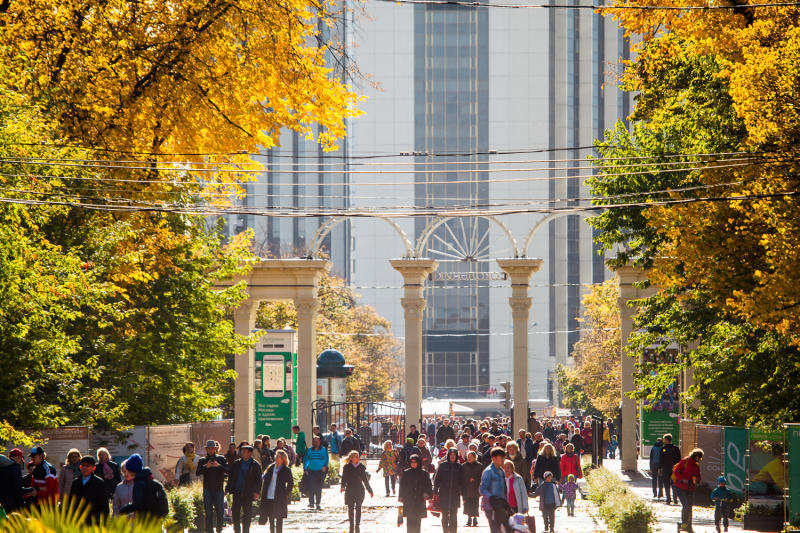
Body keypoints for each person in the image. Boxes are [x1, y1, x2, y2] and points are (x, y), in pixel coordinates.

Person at [226, 444, 262, 533]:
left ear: (249, 453)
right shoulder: (236, 463)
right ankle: (237, 530)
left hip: (248, 493)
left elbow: (259, 480)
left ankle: (246, 530)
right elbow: (231, 477)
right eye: (241, 451)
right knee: (235, 512)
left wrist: (257, 492)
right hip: (237, 491)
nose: (242, 453)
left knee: (247, 513)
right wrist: (227, 489)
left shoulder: (255, 464)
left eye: (244, 451)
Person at [197, 440, 229, 533]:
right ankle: (209, 530)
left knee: (220, 511)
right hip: (207, 489)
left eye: (212, 448)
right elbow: (197, 472)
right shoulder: (202, 460)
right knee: (208, 512)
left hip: (218, 489)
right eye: (209, 448)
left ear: (215, 448)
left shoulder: (221, 459)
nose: (211, 450)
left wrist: (218, 466)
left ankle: (219, 529)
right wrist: (205, 466)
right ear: (206, 449)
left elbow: (228, 471)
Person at [259, 450, 293, 533]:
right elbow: (264, 477)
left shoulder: (286, 470)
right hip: (269, 495)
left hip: (279, 497)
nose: (276, 458)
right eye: (276, 456)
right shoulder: (271, 467)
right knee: (271, 517)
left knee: (279, 517)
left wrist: (285, 493)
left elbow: (290, 483)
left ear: (283, 459)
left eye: (278, 456)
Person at [70, 455, 109, 524]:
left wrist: (102, 522)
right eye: (83, 465)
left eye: (88, 466)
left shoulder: (99, 483)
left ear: (93, 468)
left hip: (94, 521)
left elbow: (104, 505)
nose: (85, 468)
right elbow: (71, 502)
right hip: (78, 521)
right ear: (80, 467)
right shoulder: (76, 482)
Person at [341, 450, 373, 533]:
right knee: (350, 509)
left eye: (358, 456)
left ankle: (357, 527)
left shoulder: (361, 467)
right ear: (351, 458)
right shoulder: (347, 467)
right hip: (350, 490)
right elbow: (344, 478)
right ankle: (351, 527)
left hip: (359, 491)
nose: (358, 458)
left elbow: (365, 480)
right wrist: (342, 487)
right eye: (356, 457)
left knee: (358, 508)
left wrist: (370, 491)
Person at [398, 454, 432, 533]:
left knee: (417, 521)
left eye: (415, 462)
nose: (413, 464)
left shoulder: (424, 473)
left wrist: (427, 493)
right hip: (408, 500)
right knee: (409, 521)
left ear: (418, 463)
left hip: (419, 500)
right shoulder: (406, 473)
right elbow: (402, 486)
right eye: (411, 462)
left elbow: (429, 486)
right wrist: (400, 496)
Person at [672, 448, 703, 533]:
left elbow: (698, 476)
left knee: (689, 507)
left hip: (690, 488)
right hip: (680, 487)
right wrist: (683, 479)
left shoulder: (696, 465)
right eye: (699, 458)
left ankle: (688, 525)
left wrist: (697, 480)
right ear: (696, 456)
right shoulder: (684, 462)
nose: (700, 460)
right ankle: (684, 524)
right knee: (686, 505)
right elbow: (676, 472)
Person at [434, 447, 464, 533]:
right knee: (445, 516)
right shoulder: (443, 466)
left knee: (454, 516)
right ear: (448, 455)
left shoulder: (459, 467)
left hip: (455, 495)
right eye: (451, 455)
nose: (452, 456)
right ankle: (445, 531)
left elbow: (462, 482)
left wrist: (463, 493)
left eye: (454, 455)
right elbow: (437, 480)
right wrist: (435, 491)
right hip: (444, 494)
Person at [479, 448, 507, 533]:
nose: (503, 460)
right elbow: (482, 489)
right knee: (495, 528)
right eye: (501, 457)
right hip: (490, 506)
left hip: (500, 505)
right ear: (494, 458)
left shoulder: (501, 471)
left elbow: (504, 489)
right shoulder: (488, 472)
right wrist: (492, 497)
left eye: (503, 458)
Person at [303, 435, 329, 510]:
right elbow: (306, 460)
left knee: (318, 488)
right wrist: (305, 469)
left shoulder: (323, 450)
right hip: (311, 471)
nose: (315, 443)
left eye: (317, 441)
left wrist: (325, 466)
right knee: (311, 487)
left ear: (319, 442)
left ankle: (318, 503)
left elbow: (326, 459)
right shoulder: (310, 450)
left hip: (320, 471)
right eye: (314, 441)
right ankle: (311, 503)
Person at [659, 433, 682, 505]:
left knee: (666, 483)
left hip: (666, 469)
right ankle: (675, 499)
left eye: (664, 440)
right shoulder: (676, 448)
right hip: (674, 469)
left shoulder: (663, 449)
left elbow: (661, 460)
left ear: (666, 440)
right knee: (674, 483)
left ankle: (668, 499)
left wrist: (660, 468)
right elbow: (679, 459)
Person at [462, 450, 483, 527]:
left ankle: (475, 518)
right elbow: (462, 477)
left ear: (475, 457)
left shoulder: (479, 466)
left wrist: (476, 480)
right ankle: (469, 518)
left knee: (475, 503)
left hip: (476, 488)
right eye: (468, 457)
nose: (469, 458)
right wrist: (468, 479)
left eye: (471, 457)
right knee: (467, 503)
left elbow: (482, 477)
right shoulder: (464, 466)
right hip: (466, 488)